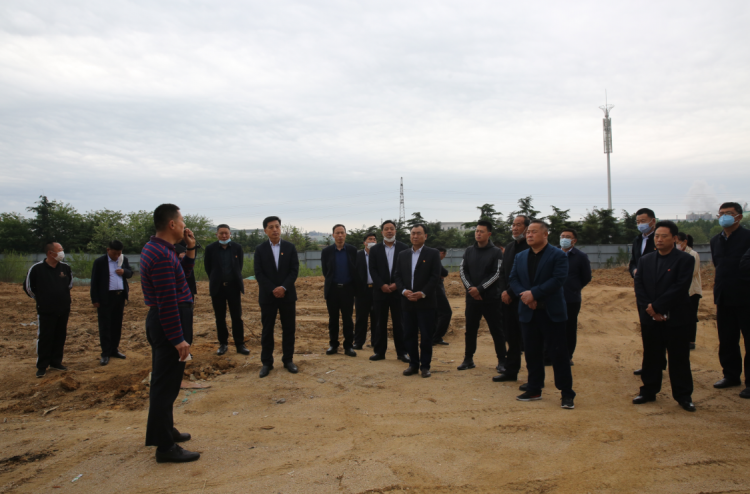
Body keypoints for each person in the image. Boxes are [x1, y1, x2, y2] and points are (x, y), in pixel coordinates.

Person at [139, 204, 200, 463]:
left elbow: (181, 276)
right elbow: (167, 301)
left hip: (166, 320)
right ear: (172, 224)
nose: (185, 225)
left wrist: (190, 249)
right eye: (182, 220)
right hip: (169, 323)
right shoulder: (162, 255)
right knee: (165, 387)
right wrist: (178, 338)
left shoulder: (160, 249)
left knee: (164, 384)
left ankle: (162, 431)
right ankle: (165, 448)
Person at [509, 220, 575, 409]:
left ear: (545, 234)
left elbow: (558, 279)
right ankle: (534, 388)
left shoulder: (558, 255)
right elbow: (513, 279)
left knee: (558, 354)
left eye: (534, 232)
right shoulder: (520, 256)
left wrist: (534, 294)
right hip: (528, 312)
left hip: (551, 313)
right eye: (528, 232)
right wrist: (525, 296)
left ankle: (566, 393)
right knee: (531, 353)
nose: (529, 235)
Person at [633, 221, 696, 412]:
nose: (659, 239)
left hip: (676, 317)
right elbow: (639, 285)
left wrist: (658, 307)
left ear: (674, 238)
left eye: (664, 236)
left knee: (679, 358)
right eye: (657, 236)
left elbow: (680, 287)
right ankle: (648, 391)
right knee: (651, 355)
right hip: (650, 317)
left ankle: (683, 396)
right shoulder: (646, 260)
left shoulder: (685, 260)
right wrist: (650, 309)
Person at [709, 202, 750, 399]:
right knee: (727, 339)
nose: (724, 216)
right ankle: (731, 375)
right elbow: (718, 265)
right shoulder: (715, 240)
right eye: (721, 213)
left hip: (746, 297)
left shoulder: (748, 237)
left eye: (729, 213)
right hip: (724, 296)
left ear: (739, 217)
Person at [457, 221, 506, 373]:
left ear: (489, 234)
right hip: (472, 299)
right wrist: (471, 289)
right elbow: (463, 270)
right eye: (477, 231)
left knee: (496, 330)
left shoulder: (496, 252)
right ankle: (468, 359)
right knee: (470, 329)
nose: (478, 234)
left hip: (491, 299)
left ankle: (502, 361)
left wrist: (480, 289)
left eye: (481, 231)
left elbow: (496, 273)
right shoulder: (469, 251)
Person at [254, 216, 300, 378]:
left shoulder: (289, 247)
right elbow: (258, 273)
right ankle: (267, 362)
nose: (275, 230)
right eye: (271, 227)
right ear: (265, 230)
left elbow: (294, 270)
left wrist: (283, 287)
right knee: (267, 330)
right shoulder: (260, 249)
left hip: (287, 295)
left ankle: (288, 360)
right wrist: (273, 289)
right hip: (268, 296)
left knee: (289, 329)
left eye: (277, 226)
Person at [394, 224, 442, 378]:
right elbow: (397, 275)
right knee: (409, 334)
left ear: (425, 236)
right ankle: (413, 364)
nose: (415, 236)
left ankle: (425, 366)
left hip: (425, 302)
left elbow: (435, 276)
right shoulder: (403, 254)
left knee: (426, 336)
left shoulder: (433, 253)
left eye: (419, 233)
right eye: (413, 233)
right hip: (407, 302)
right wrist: (403, 291)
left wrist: (423, 293)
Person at [23, 241, 73, 378]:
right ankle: (42, 365)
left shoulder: (65, 268)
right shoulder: (37, 268)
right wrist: (41, 299)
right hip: (46, 310)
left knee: (60, 336)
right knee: (46, 337)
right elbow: (28, 288)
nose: (62, 252)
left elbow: (69, 285)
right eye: (60, 249)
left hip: (63, 308)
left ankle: (56, 362)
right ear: (51, 253)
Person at [368, 220, 410, 363]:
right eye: (386, 229)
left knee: (400, 323)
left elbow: (406, 269)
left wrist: (397, 285)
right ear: (382, 232)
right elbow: (372, 269)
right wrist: (381, 285)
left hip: (398, 292)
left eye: (392, 228)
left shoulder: (404, 248)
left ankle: (402, 352)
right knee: (380, 323)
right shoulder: (375, 249)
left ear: (395, 231)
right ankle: (379, 352)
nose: (389, 231)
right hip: (380, 292)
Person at [495, 215, 530, 383]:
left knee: (529, 339)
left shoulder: (530, 247)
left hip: (524, 299)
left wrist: (510, 292)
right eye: (513, 225)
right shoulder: (509, 248)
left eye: (518, 225)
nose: (514, 228)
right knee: (511, 337)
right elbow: (503, 272)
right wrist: (504, 291)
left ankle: (534, 377)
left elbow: (525, 275)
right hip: (507, 301)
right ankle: (511, 371)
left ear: (527, 228)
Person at [204, 224, 248, 356]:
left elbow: (239, 266)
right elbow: (208, 267)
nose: (224, 236)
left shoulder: (237, 248)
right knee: (220, 317)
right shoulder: (210, 248)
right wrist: (216, 280)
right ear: (217, 234)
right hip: (218, 288)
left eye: (226, 233)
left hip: (233, 287)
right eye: (221, 233)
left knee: (237, 317)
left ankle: (240, 344)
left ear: (230, 234)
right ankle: (223, 344)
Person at [90, 240, 133, 366]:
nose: (117, 256)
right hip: (105, 298)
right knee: (105, 326)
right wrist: (95, 299)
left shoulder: (123, 260)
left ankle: (114, 349)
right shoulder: (100, 262)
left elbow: (130, 273)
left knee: (117, 325)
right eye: (114, 253)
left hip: (119, 297)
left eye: (119, 253)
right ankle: (105, 352)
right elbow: (94, 281)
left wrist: (124, 272)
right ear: (108, 250)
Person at [321, 224, 358, 357]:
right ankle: (333, 345)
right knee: (333, 319)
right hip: (332, 290)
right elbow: (326, 271)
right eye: (337, 233)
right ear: (333, 235)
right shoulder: (327, 251)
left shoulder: (353, 250)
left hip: (348, 289)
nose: (340, 235)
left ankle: (348, 346)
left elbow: (355, 269)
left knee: (348, 319)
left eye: (342, 233)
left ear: (345, 234)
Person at [630, 208, 657, 376]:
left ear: (653, 221)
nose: (640, 224)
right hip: (641, 290)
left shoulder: (659, 238)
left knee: (659, 330)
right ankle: (649, 364)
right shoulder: (637, 240)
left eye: (643, 221)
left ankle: (658, 364)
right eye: (638, 222)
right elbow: (633, 261)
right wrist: (634, 270)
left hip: (658, 288)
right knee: (646, 329)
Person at [559, 228, 591, 365]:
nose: (564, 239)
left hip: (571, 298)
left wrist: (574, 287)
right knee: (552, 326)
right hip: (553, 297)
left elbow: (586, 277)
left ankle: (567, 355)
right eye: (562, 236)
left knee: (569, 327)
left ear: (574, 240)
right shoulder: (553, 253)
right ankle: (549, 354)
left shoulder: (581, 256)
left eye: (568, 237)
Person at [676, 233, 702, 350]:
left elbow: (693, 271)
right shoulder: (676, 254)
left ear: (684, 242)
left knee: (691, 316)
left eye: (677, 242)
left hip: (692, 291)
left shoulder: (693, 254)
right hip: (681, 291)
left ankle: (691, 340)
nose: (676, 245)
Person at [353, 232, 378, 350]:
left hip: (377, 290)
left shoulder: (379, 256)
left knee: (376, 317)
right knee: (361, 318)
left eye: (374, 239)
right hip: (362, 291)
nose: (372, 241)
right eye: (370, 239)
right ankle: (358, 342)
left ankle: (376, 341)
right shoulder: (357, 256)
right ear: (364, 242)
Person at [432, 246, 453, 346]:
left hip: (432, 289)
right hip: (436, 289)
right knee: (446, 313)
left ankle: (434, 336)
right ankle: (436, 337)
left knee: (436, 314)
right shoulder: (434, 259)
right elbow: (444, 272)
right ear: (442, 253)